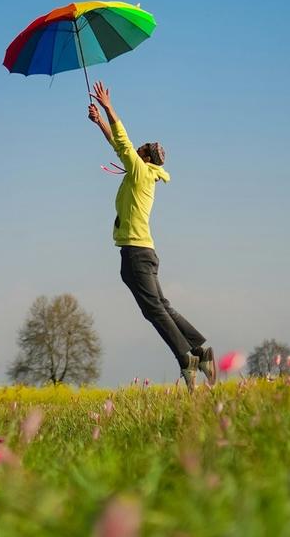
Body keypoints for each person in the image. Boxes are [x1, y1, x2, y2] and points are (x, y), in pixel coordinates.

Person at [87, 80, 216, 391]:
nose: (136, 150)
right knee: (161, 306)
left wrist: (108, 108)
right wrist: (100, 122)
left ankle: (187, 358)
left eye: (140, 149)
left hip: (136, 253)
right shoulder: (143, 173)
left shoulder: (140, 173)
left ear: (145, 158)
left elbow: (122, 142)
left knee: (155, 309)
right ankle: (200, 350)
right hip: (143, 252)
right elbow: (120, 146)